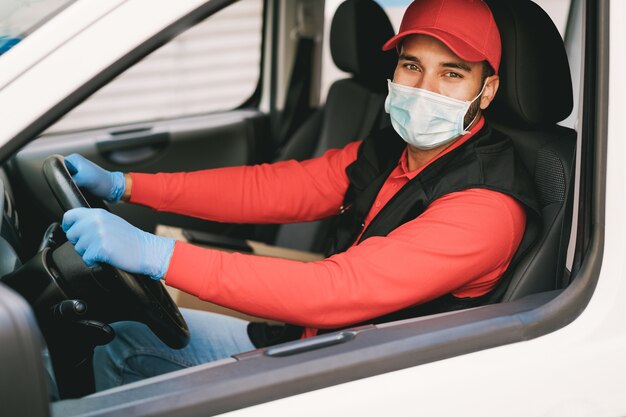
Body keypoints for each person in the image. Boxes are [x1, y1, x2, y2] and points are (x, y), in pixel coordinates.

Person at [61, 0, 540, 391]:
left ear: (488, 89)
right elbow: (272, 188)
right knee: (124, 336)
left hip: (365, 377)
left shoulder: (486, 205)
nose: (425, 90)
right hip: (324, 338)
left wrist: (155, 253)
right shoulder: (399, 147)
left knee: (122, 346)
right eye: (412, 66)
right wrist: (128, 186)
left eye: (451, 75)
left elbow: (334, 290)